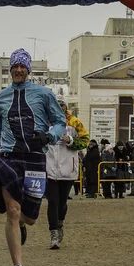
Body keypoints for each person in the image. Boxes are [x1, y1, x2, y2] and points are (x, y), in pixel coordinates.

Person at [0, 48, 66, 266]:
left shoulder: (43, 94)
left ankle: (22, 223)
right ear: (10, 69)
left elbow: (60, 122)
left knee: (29, 218)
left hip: (35, 158)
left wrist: (48, 137)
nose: (18, 70)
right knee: (12, 210)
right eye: (15, 67)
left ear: (28, 70)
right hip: (9, 156)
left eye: (23, 67)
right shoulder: (0, 98)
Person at [45, 97, 89, 249]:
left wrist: (70, 140)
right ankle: (53, 234)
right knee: (52, 201)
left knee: (62, 202)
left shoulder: (74, 122)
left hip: (68, 170)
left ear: (66, 107)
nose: (59, 108)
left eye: (62, 105)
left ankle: (60, 222)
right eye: (56, 105)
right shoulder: (45, 123)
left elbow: (85, 140)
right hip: (50, 170)